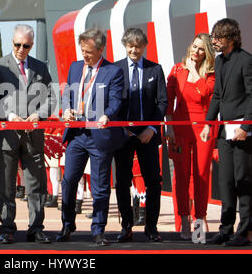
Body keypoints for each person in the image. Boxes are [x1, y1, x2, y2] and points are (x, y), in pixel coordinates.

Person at [0, 24, 55, 244]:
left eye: (26, 45)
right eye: (17, 44)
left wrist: (38, 115)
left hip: (33, 135)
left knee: (37, 184)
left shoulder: (40, 67)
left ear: (31, 45)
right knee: (6, 185)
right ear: (12, 42)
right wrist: (9, 115)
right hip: (7, 135)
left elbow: (51, 97)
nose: (21, 49)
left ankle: (36, 228)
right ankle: (6, 229)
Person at [57, 28, 126, 246]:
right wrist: (66, 109)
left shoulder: (112, 71)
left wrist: (107, 115)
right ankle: (67, 224)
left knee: (100, 186)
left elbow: (116, 100)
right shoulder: (76, 67)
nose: (84, 55)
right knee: (68, 181)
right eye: (82, 50)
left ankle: (98, 230)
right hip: (77, 134)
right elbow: (67, 95)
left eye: (88, 51)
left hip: (99, 136)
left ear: (100, 49)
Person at [200, 18, 252, 246]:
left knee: (244, 180)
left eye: (217, 38)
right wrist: (207, 123)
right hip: (224, 131)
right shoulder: (219, 61)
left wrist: (246, 126)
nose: (214, 42)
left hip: (243, 132)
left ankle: (244, 231)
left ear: (230, 39)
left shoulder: (246, 61)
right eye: (213, 37)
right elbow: (218, 95)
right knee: (226, 181)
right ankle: (226, 228)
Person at [114, 27, 167, 243]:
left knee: (153, 181)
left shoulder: (155, 69)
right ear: (125, 45)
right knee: (122, 182)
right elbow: (112, 102)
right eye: (130, 45)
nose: (134, 49)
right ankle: (126, 226)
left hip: (148, 135)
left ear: (144, 46)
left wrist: (152, 129)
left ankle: (151, 227)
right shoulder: (115, 69)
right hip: (123, 135)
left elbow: (162, 102)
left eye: (138, 45)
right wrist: (120, 128)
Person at [165, 33, 216, 240]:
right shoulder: (177, 70)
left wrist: (195, 70)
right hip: (180, 128)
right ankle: (183, 219)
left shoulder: (211, 73)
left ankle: (200, 219)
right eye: (194, 47)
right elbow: (169, 101)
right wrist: (170, 128)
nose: (196, 51)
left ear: (207, 52)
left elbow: (209, 97)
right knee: (181, 176)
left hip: (204, 128)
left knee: (202, 176)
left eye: (201, 48)